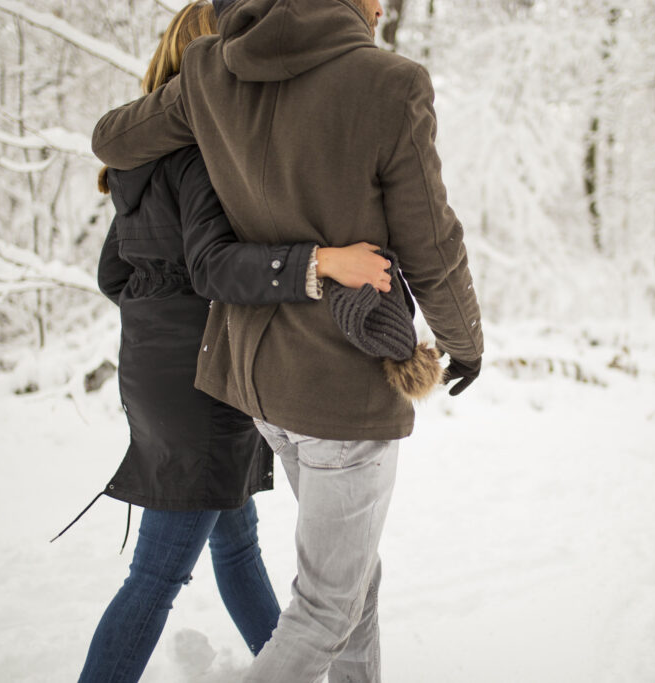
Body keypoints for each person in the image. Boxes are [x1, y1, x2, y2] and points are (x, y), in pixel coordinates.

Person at [92, 0, 484, 680]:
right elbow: (432, 240)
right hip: (340, 385)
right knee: (327, 606)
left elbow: (111, 140)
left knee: (350, 574)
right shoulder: (391, 83)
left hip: (257, 386)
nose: (385, 4)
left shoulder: (213, 71)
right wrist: (464, 339)